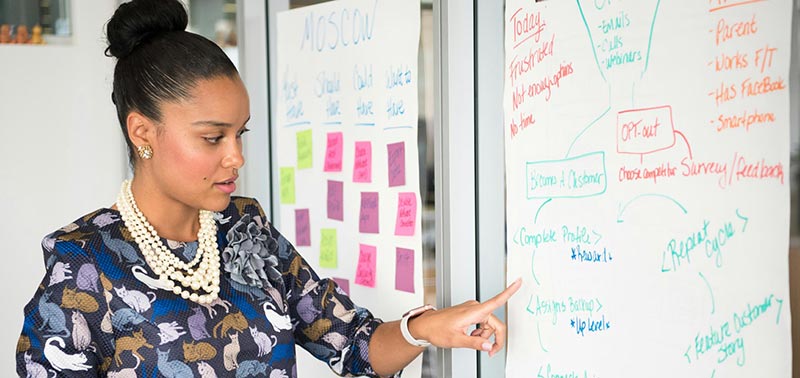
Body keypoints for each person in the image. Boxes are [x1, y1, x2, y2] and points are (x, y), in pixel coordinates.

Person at [15, 0, 521, 376]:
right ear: (142, 132)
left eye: (241, 134)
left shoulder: (244, 229)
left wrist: (425, 329)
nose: (235, 157)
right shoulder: (84, 262)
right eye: (213, 137)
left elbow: (352, 344)